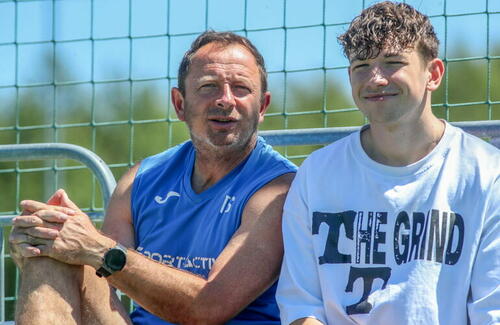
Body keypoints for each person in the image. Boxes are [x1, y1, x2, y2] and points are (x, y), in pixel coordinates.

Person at [9, 31, 297, 325]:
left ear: (262, 106)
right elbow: (99, 276)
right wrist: (43, 238)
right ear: (180, 104)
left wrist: (94, 246)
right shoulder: (141, 180)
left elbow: (209, 308)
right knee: (49, 244)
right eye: (208, 87)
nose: (225, 100)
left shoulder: (279, 190)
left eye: (241, 88)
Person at [276, 2, 499, 325]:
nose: (376, 79)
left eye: (393, 63)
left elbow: (492, 312)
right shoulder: (317, 173)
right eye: (362, 66)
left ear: (433, 74)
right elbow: (301, 307)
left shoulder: (486, 173)